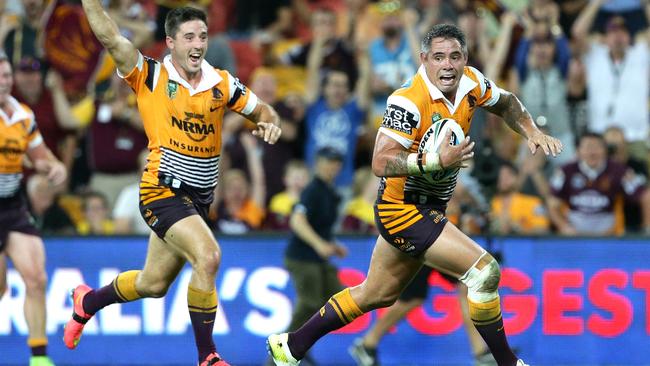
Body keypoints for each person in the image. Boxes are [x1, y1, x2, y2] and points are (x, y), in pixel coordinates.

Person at [267, 24, 563, 366]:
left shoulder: (471, 82)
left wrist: (531, 130)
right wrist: (437, 160)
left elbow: (506, 102)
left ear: (465, 59)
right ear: (424, 59)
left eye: (455, 56)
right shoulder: (408, 100)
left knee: (376, 294)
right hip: (402, 209)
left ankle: (290, 346)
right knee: (484, 272)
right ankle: (505, 362)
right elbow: (380, 161)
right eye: (438, 57)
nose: (447, 65)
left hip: (428, 207)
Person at [63, 4, 281, 366]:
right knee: (208, 257)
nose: (198, 45)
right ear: (170, 42)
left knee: (152, 284)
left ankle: (87, 302)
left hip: (197, 200)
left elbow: (263, 111)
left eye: (203, 36)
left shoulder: (221, 82)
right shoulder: (148, 74)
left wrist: (268, 122)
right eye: (189, 37)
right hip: (160, 191)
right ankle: (207, 355)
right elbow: (110, 37)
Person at [0, 52, 66, 366]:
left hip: (11, 206)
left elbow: (40, 157)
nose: (4, 82)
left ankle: (39, 358)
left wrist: (54, 168)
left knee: (36, 278)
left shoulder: (22, 115)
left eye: (7, 76)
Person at [283, 146, 348, 364]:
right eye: (329, 161)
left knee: (337, 299)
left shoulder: (328, 192)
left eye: (337, 162)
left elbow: (319, 226)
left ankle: (302, 345)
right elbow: (297, 221)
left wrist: (332, 244)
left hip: (317, 258)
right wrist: (320, 244)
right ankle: (281, 352)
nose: (334, 166)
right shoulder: (313, 190)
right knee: (310, 303)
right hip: (301, 257)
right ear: (318, 163)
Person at [547, 132, 650, 236]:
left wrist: (647, 231)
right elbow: (552, 204)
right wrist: (564, 227)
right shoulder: (566, 171)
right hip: (574, 234)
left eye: (597, 147)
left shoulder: (619, 171)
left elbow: (646, 196)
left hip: (607, 235)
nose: (592, 153)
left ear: (605, 150)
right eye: (587, 147)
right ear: (578, 151)